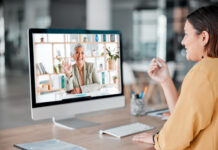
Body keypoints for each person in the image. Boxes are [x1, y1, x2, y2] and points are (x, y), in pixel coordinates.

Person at [132, 5, 218, 150]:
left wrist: (156, 138)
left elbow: (173, 141)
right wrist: (165, 80)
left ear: (203, 37)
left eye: (186, 34)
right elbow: (183, 119)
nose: (183, 41)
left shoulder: (203, 74)